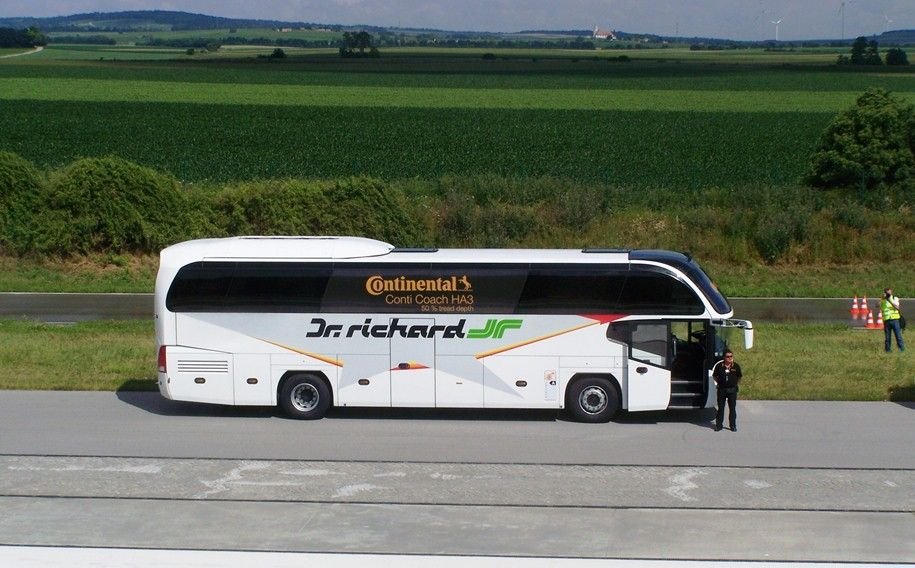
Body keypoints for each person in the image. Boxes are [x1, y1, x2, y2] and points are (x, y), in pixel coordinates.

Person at [712, 349, 742, 432]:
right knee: (721, 408)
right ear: (724, 357)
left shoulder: (735, 366)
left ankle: (733, 425)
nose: (730, 358)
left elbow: (739, 377)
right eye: (728, 356)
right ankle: (719, 425)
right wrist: (719, 383)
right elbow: (714, 376)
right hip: (722, 390)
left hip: (732, 390)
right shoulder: (719, 366)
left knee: (732, 409)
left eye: (731, 356)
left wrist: (735, 383)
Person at [881, 287, 905, 353]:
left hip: (895, 320)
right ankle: (888, 350)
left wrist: (889, 300)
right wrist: (881, 298)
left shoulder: (895, 298)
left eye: (889, 292)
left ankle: (902, 349)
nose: (888, 293)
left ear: (891, 292)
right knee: (887, 337)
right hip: (887, 320)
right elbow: (876, 305)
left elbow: (897, 307)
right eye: (886, 292)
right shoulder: (883, 300)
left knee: (898, 336)